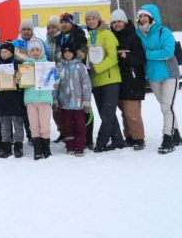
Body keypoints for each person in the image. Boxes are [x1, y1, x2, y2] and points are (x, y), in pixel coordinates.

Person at [136, 4, 180, 153]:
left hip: (169, 74)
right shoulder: (138, 33)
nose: (141, 18)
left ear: (151, 16)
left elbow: (168, 51)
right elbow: (137, 52)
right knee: (165, 106)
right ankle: (177, 134)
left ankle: (167, 138)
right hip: (153, 76)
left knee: (166, 107)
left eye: (144, 15)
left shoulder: (163, 31)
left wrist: (147, 54)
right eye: (140, 16)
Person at [85, 10, 125, 152]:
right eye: (88, 19)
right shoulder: (90, 38)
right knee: (106, 113)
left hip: (110, 80)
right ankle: (118, 140)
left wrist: (98, 68)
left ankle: (101, 142)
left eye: (93, 18)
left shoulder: (108, 34)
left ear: (99, 20)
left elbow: (113, 58)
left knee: (107, 114)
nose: (91, 21)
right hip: (96, 82)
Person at [110, 9, 147, 150]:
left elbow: (141, 58)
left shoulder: (133, 37)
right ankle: (129, 137)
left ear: (124, 22)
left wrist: (127, 57)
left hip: (133, 79)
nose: (117, 24)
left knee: (132, 112)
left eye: (119, 21)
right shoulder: (112, 37)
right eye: (114, 22)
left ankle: (139, 138)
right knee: (124, 112)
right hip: (119, 80)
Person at [55, 12, 93, 146]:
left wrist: (75, 57)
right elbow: (57, 53)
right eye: (62, 22)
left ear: (71, 23)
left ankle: (87, 139)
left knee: (84, 112)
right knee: (66, 114)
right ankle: (68, 137)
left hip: (77, 72)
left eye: (66, 22)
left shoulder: (79, 34)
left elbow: (83, 51)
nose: (64, 24)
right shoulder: (59, 37)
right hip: (63, 71)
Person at [55, 44, 92, 157]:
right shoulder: (59, 66)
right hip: (64, 103)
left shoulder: (80, 66)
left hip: (78, 103)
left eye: (70, 52)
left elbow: (86, 85)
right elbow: (54, 83)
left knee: (80, 125)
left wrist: (86, 101)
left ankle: (80, 146)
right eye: (65, 53)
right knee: (67, 126)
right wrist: (55, 99)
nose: (67, 55)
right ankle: (70, 146)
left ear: (74, 54)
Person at [23, 38, 55, 160]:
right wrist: (19, 77)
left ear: (41, 50)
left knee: (45, 125)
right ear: (29, 52)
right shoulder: (26, 65)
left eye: (37, 49)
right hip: (30, 100)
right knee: (34, 126)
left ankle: (46, 149)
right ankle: (37, 150)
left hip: (45, 100)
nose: (35, 52)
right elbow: (21, 84)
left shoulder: (47, 64)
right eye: (32, 50)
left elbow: (55, 80)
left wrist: (55, 76)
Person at [0, 42, 26, 159]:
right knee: (4, 125)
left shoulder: (19, 65)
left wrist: (19, 80)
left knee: (18, 123)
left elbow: (26, 82)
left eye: (6, 51)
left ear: (12, 52)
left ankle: (18, 145)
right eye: (2, 52)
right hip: (3, 99)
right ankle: (6, 146)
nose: (3, 54)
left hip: (16, 99)